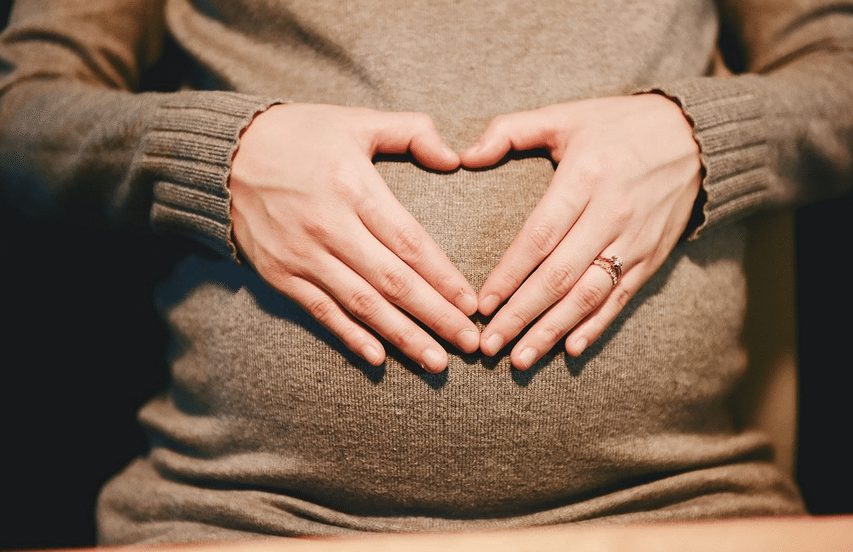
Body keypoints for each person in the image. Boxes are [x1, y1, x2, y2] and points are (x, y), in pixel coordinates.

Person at [0, 0, 850, 545]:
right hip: (243, 519)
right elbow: (22, 111)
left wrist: (701, 138)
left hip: (673, 514)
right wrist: (215, 156)